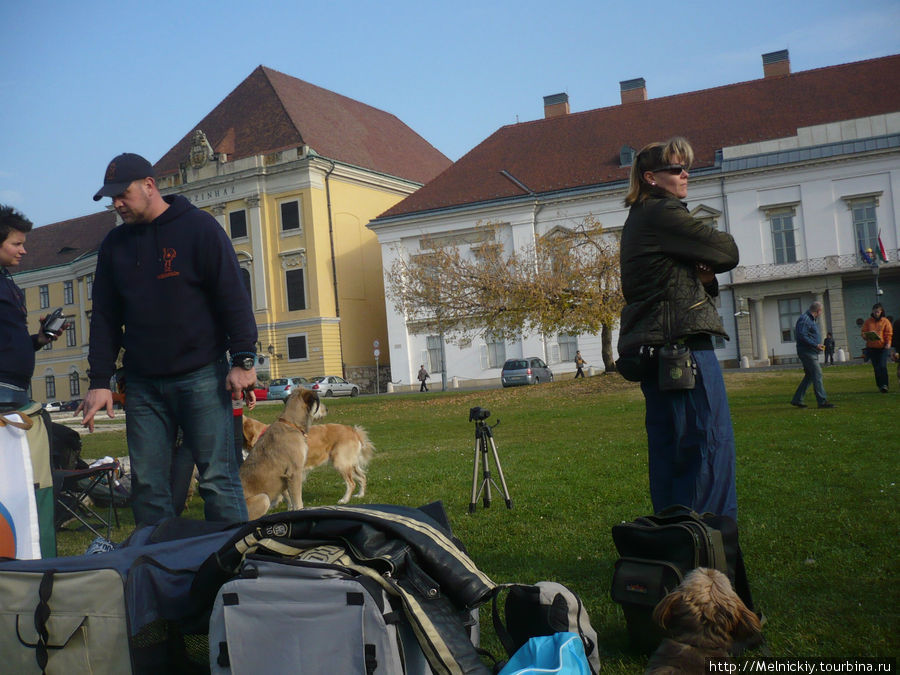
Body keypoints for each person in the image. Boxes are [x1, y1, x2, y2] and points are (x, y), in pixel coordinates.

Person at [80, 153, 258, 527]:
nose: (117, 204)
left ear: (149, 185)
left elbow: (233, 295)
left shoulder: (199, 228)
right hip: (143, 383)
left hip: (202, 376)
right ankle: (158, 568)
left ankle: (230, 568)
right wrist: (99, 381)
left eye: (122, 194)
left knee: (217, 479)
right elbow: (106, 317)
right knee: (147, 484)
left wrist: (243, 360)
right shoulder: (114, 246)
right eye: (111, 197)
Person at [617, 137, 740, 521]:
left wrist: (702, 277)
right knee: (706, 450)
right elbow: (726, 251)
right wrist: (703, 265)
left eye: (687, 166)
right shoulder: (663, 214)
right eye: (677, 168)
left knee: (672, 456)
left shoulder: (642, 217)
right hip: (682, 353)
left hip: (660, 353)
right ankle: (709, 555)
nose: (686, 174)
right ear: (652, 177)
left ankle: (675, 547)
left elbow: (676, 282)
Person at [0, 205, 65, 410]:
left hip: (17, 387)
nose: (23, 250)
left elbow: (9, 339)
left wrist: (38, 340)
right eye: (17, 244)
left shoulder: (8, 282)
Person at [791, 302, 834, 409]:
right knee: (817, 374)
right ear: (818, 311)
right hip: (807, 352)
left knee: (810, 376)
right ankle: (822, 401)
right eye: (821, 312)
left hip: (810, 351)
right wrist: (815, 345)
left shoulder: (809, 320)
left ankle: (797, 399)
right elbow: (801, 335)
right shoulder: (805, 319)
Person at [860, 303, 893, 393]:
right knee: (876, 368)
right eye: (874, 312)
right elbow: (863, 332)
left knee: (882, 366)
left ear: (881, 311)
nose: (876, 313)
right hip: (872, 348)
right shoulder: (868, 322)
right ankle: (880, 385)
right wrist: (866, 336)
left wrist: (888, 343)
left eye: (878, 312)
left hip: (883, 347)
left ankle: (885, 385)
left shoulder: (885, 321)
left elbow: (888, 333)